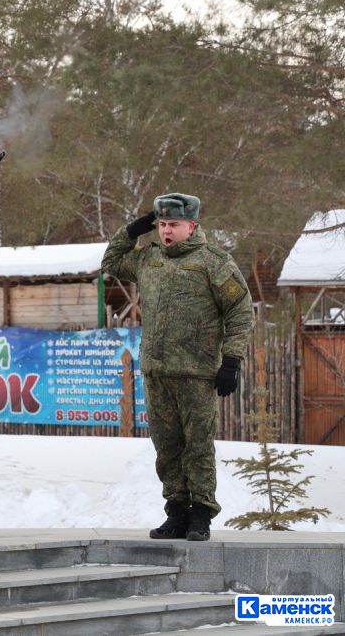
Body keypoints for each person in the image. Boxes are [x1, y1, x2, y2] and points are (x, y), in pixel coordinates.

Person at [101, 193, 253, 541]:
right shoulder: (148, 259)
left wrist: (231, 359)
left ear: (192, 225)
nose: (167, 231)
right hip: (157, 371)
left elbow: (241, 311)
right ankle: (177, 512)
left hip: (197, 373)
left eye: (174, 225)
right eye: (162, 224)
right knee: (167, 447)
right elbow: (111, 261)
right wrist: (133, 229)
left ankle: (201, 514)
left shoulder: (213, 261)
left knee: (197, 445)